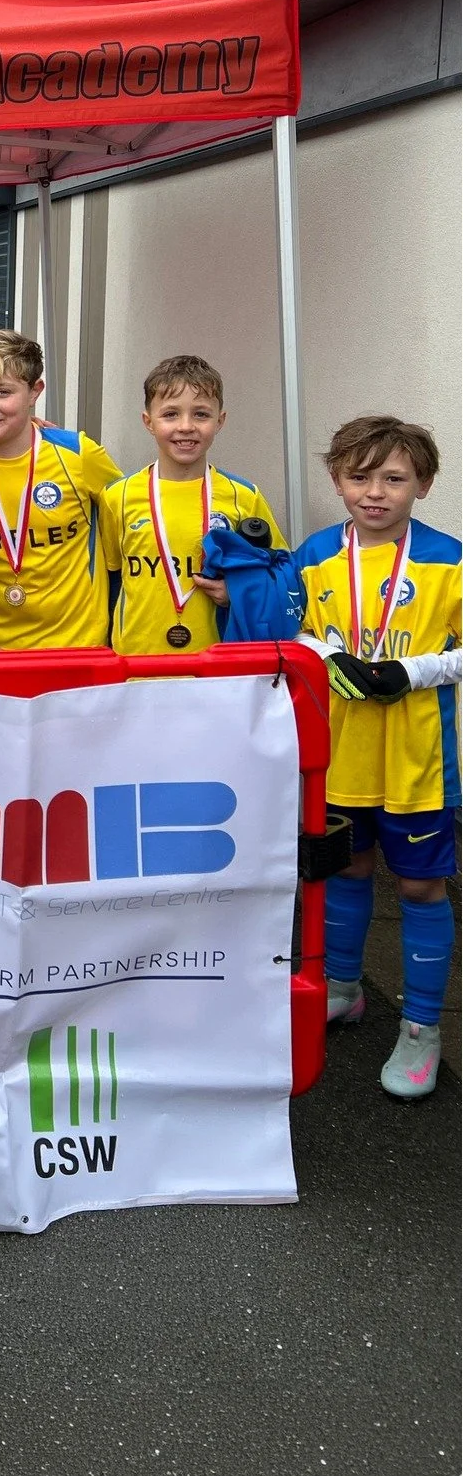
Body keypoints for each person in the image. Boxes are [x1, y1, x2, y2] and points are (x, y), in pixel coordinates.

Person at [295, 416, 460, 1099]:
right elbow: (297, 632)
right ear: (336, 479)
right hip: (340, 757)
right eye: (359, 476)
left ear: (422, 483)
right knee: (351, 867)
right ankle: (343, 986)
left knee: (420, 886)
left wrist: (413, 671)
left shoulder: (448, 558)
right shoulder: (313, 554)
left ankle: (422, 1027)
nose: (375, 492)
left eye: (393, 478)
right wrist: (333, 656)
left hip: (417, 761)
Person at [0, 329, 121, 650]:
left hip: (79, 647)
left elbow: (135, 527)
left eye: (2, 392)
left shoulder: (78, 455)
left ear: (34, 391)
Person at [100, 354, 284, 655]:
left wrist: (236, 592)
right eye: (170, 414)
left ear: (220, 421)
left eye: (201, 414)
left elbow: (277, 573)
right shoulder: (117, 497)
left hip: (217, 666)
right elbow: (111, 579)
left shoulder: (243, 495)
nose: (186, 427)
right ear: (148, 422)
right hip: (136, 665)